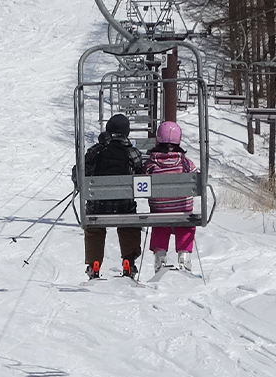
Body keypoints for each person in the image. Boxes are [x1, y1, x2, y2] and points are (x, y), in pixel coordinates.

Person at [83, 113, 147, 279]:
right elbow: (142, 175)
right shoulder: (133, 153)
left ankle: (94, 263)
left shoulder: (95, 151)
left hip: (98, 207)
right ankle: (129, 260)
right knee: (129, 224)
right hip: (124, 207)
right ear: (127, 132)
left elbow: (82, 173)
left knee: (94, 228)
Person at [146, 121, 197, 269]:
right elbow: (195, 179)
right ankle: (184, 255)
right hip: (182, 208)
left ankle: (160, 255)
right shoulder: (185, 163)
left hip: (159, 209)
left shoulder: (151, 164)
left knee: (160, 223)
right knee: (185, 222)